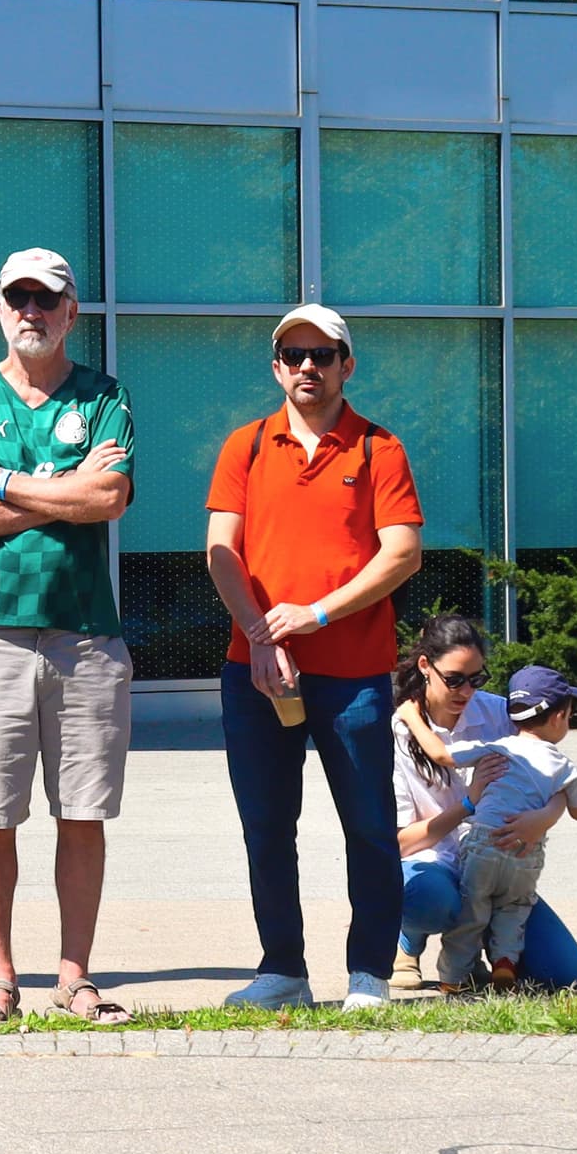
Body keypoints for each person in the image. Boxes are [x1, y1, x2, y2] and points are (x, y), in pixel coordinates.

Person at [0, 248, 136, 1028]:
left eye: (46, 301)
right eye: (17, 298)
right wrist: (65, 493)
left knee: (81, 812)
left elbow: (110, 497)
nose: (31, 312)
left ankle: (75, 976)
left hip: (85, 637)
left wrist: (8, 484)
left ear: (72, 312)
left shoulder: (105, 394)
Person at [202, 303, 425, 1012]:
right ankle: (283, 971)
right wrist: (262, 636)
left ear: (345, 365)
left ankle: (369, 973)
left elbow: (403, 554)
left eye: (321, 355)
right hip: (256, 672)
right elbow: (221, 549)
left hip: (355, 674)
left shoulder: (378, 448)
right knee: (267, 826)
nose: (307, 367)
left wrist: (319, 612)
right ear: (276, 367)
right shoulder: (246, 445)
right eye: (292, 355)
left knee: (367, 827)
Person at [388, 618, 577, 992]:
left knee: (562, 974)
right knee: (427, 897)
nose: (466, 690)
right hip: (433, 861)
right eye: (454, 679)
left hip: (495, 863)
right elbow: (399, 843)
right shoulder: (401, 729)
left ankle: (481, 949)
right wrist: (468, 803)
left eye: (476, 679)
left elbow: (555, 777)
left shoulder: (501, 714)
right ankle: (408, 943)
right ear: (424, 667)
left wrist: (543, 818)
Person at [436, 665, 577, 987]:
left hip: (483, 842)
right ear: (557, 718)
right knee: (514, 908)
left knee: (472, 911)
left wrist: (410, 718)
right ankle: (506, 961)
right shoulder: (564, 767)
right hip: (525, 853)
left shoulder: (497, 746)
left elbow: (445, 756)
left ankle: (453, 977)